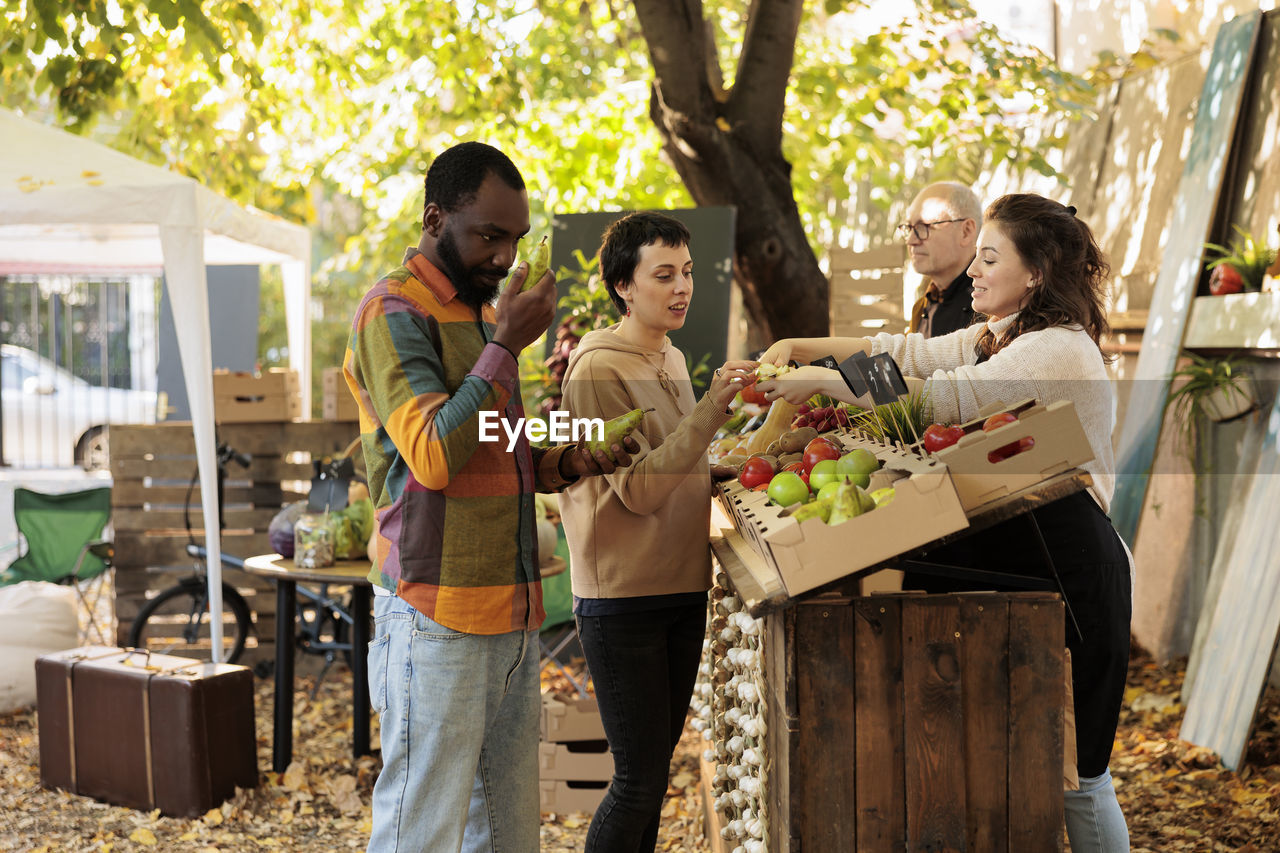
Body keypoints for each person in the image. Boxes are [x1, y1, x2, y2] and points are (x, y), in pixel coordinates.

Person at [757, 193, 1132, 853]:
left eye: (990, 257)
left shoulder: (1055, 351)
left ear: (1036, 272)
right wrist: (809, 355)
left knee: (1081, 774)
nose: (976, 272)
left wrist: (821, 379)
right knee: (1027, 767)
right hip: (1031, 560)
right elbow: (911, 356)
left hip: (1078, 567)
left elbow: (936, 397)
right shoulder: (1002, 334)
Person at [344, 141, 639, 853]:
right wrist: (505, 344)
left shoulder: (481, 315)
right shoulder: (391, 312)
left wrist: (567, 460)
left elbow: (493, 448)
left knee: (507, 838)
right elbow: (433, 455)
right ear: (434, 217)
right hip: (434, 615)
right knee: (422, 833)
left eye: (514, 237)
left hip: (511, 615)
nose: (506, 257)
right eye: (488, 235)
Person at [558, 212, 756, 852]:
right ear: (624, 285)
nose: (682, 288)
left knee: (652, 773)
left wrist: (725, 467)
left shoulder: (666, 353)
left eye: (688, 273)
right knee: (637, 781)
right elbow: (638, 489)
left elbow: (671, 456)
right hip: (623, 597)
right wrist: (709, 414)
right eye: (663, 274)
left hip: (678, 586)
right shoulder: (596, 370)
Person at [900, 181, 982, 338]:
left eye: (923, 227)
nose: (911, 240)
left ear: (966, 231)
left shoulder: (991, 309)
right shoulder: (923, 305)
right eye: (909, 228)